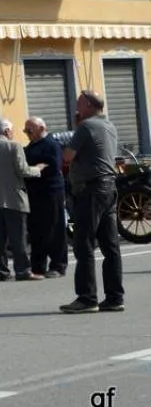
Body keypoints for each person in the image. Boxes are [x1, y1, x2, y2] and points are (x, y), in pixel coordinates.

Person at [61, 90, 125, 314]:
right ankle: (115, 297)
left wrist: (76, 128)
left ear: (88, 104)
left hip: (90, 190)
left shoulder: (86, 127)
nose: (76, 107)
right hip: (109, 187)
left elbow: (67, 156)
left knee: (84, 244)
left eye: (79, 103)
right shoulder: (109, 125)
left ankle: (87, 298)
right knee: (110, 245)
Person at [0, 117, 46, 282]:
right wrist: (38, 169)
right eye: (12, 130)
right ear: (7, 131)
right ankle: (22, 271)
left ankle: (1, 272)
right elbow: (22, 170)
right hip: (14, 199)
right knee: (18, 238)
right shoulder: (14, 146)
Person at [22, 116, 68, 278]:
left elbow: (53, 166)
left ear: (41, 129)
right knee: (37, 230)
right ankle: (38, 266)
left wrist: (35, 169)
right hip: (35, 193)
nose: (27, 133)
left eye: (29, 130)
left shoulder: (50, 144)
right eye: (25, 130)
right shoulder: (31, 146)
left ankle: (58, 265)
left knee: (54, 229)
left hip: (51, 192)